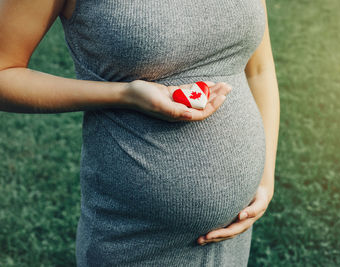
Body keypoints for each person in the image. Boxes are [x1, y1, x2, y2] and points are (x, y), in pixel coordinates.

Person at [0, 0, 280, 266]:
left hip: (232, 239)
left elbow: (259, 69)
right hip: (136, 241)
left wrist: (265, 177)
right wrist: (124, 94)